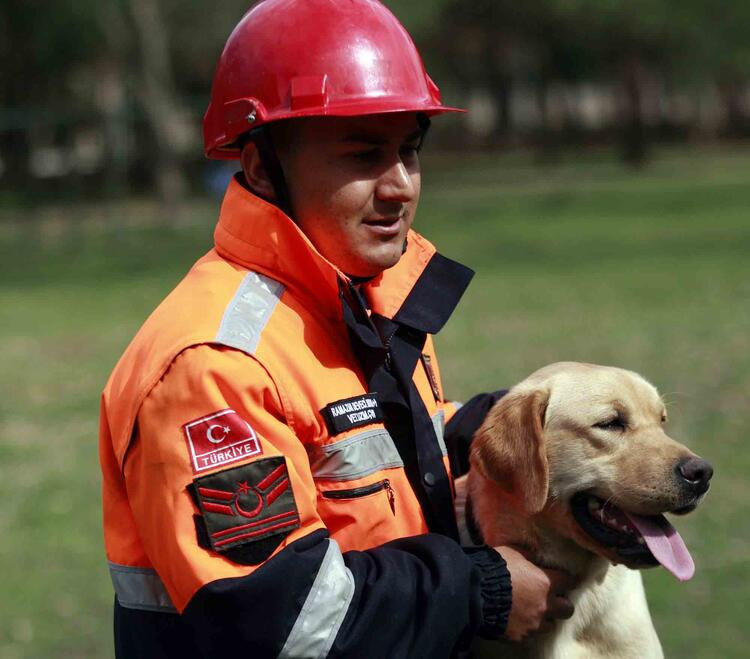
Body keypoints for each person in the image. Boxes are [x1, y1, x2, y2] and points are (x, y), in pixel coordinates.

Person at [99, 1, 575, 656]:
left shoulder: (372, 299)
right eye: (363, 155)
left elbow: (397, 464)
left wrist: (531, 429)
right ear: (263, 166)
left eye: (409, 150)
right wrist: (481, 590)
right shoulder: (214, 364)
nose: (400, 186)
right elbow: (285, 618)